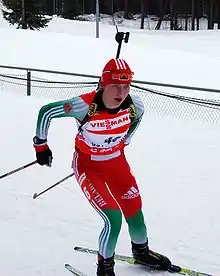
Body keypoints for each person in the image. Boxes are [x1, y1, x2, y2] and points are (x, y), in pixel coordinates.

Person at [33, 58, 175, 276]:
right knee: (113, 219)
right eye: (115, 86)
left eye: (126, 86)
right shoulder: (84, 105)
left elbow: (136, 120)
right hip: (89, 168)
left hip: (117, 163)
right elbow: (47, 111)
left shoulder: (134, 105)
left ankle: (141, 252)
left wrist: (125, 139)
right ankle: (105, 268)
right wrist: (41, 146)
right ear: (103, 85)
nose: (121, 92)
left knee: (134, 210)